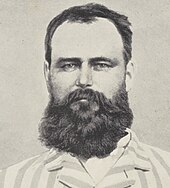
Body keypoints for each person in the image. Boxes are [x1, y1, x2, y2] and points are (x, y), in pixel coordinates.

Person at [0, 3, 170, 188]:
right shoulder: (11, 181)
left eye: (101, 65)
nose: (84, 80)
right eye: (69, 65)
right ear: (47, 75)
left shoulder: (165, 173)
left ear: (128, 76)